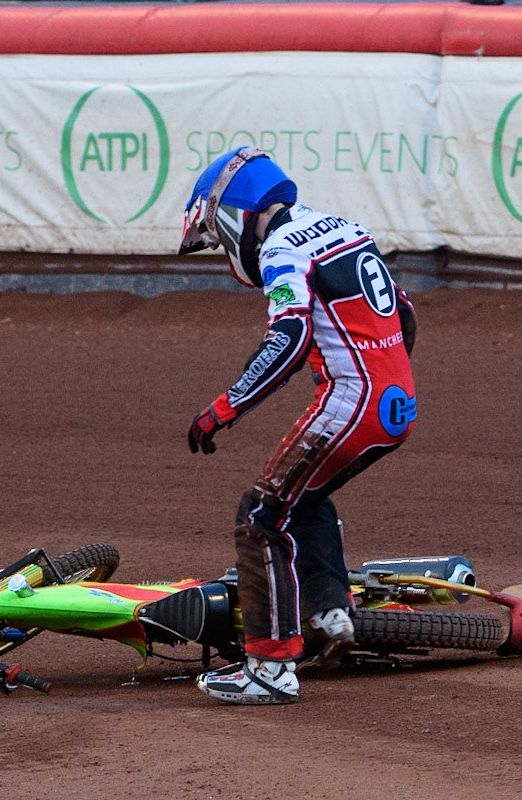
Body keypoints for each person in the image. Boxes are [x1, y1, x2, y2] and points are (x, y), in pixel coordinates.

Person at [178, 147, 418, 705]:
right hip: (397, 401)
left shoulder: (283, 249)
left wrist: (224, 408)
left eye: (217, 232)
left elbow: (286, 341)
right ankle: (331, 614)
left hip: (351, 402)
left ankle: (269, 667)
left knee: (260, 515)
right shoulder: (344, 228)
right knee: (304, 498)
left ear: (235, 213)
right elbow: (403, 315)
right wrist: (381, 369)